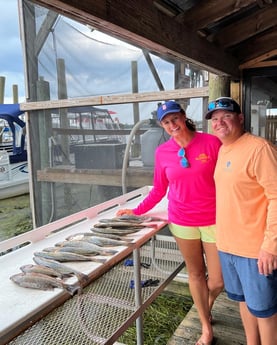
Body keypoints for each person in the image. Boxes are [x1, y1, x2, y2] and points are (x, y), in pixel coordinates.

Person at [117, 100, 224, 345]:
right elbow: (158, 190)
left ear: (184, 116)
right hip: (182, 220)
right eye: (166, 122)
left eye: (174, 118)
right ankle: (206, 329)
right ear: (162, 125)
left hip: (214, 219)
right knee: (196, 273)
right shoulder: (162, 152)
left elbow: (228, 179)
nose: (172, 125)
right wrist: (136, 210)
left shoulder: (211, 142)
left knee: (218, 280)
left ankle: (204, 308)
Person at [206, 96, 277, 345]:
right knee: (244, 301)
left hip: (255, 250)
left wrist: (270, 246)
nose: (220, 122)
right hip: (227, 246)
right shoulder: (223, 149)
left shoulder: (260, 148)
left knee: (265, 311)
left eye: (226, 116)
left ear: (240, 118)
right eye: (215, 119)